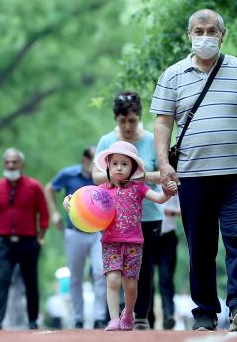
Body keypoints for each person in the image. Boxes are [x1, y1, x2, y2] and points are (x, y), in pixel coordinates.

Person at [151, 8, 237, 332]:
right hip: (193, 176)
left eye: (212, 31)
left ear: (222, 35)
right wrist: (164, 164)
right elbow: (162, 123)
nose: (205, 36)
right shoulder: (173, 75)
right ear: (189, 35)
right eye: (200, 30)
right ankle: (204, 312)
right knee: (201, 245)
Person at [65, 141, 176, 331]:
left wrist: (167, 191)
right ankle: (114, 319)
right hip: (110, 243)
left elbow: (159, 199)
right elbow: (84, 200)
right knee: (113, 280)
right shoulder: (102, 190)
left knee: (131, 285)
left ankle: (128, 313)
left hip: (134, 243)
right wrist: (70, 200)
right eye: (115, 163)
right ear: (108, 165)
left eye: (124, 164)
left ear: (132, 168)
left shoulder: (139, 187)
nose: (119, 167)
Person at [93, 90, 164, 330]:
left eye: (132, 120)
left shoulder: (152, 140)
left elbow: (164, 173)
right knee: (113, 273)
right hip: (112, 219)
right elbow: (95, 177)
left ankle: (140, 315)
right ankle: (114, 316)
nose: (128, 125)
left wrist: (139, 177)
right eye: (122, 120)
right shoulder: (106, 141)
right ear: (116, 119)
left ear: (139, 117)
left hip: (149, 214)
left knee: (142, 270)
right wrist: (115, 177)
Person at [0, 148, 49, 330]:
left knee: (30, 281)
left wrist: (40, 237)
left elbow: (43, 214)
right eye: (8, 162)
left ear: (22, 164)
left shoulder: (34, 187)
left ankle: (33, 319)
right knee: (2, 280)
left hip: (28, 242)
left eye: (15, 162)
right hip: (3, 242)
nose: (11, 165)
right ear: (3, 164)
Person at [45, 146, 107, 329]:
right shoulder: (69, 174)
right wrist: (54, 214)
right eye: (93, 161)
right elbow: (49, 188)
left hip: (97, 233)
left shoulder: (102, 178)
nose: (96, 166)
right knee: (76, 277)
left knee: (99, 272)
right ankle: (78, 318)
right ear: (85, 160)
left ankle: (99, 317)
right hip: (73, 232)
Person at [148, 194, 181, 330]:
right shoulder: (143, 183)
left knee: (166, 278)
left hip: (167, 237)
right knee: (147, 279)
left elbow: (185, 208)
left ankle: (168, 316)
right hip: (147, 236)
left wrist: (169, 211)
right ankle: (148, 318)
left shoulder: (173, 185)